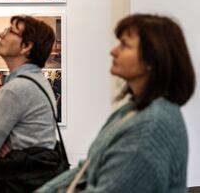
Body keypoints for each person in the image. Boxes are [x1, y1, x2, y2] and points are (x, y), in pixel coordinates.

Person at [36, 14, 196, 193]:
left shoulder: (151, 125)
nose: (113, 51)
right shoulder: (134, 109)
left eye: (125, 45)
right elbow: (88, 167)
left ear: (153, 59)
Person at [0, 15, 64, 191]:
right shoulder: (39, 81)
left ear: (27, 46)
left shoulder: (15, 89)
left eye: (10, 31)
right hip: (38, 179)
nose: (1, 34)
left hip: (18, 183)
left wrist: (0, 146)